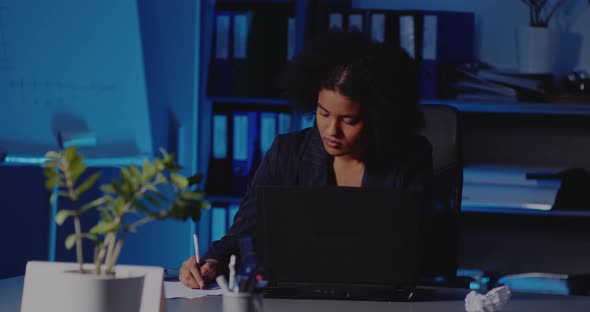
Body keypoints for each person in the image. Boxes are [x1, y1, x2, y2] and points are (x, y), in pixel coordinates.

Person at [180, 30, 432, 289]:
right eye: (323, 114)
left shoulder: (409, 160)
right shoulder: (286, 153)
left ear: (378, 117)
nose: (331, 130)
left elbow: (415, 250)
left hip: (381, 298)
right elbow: (243, 233)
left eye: (349, 120)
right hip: (297, 297)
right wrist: (212, 261)